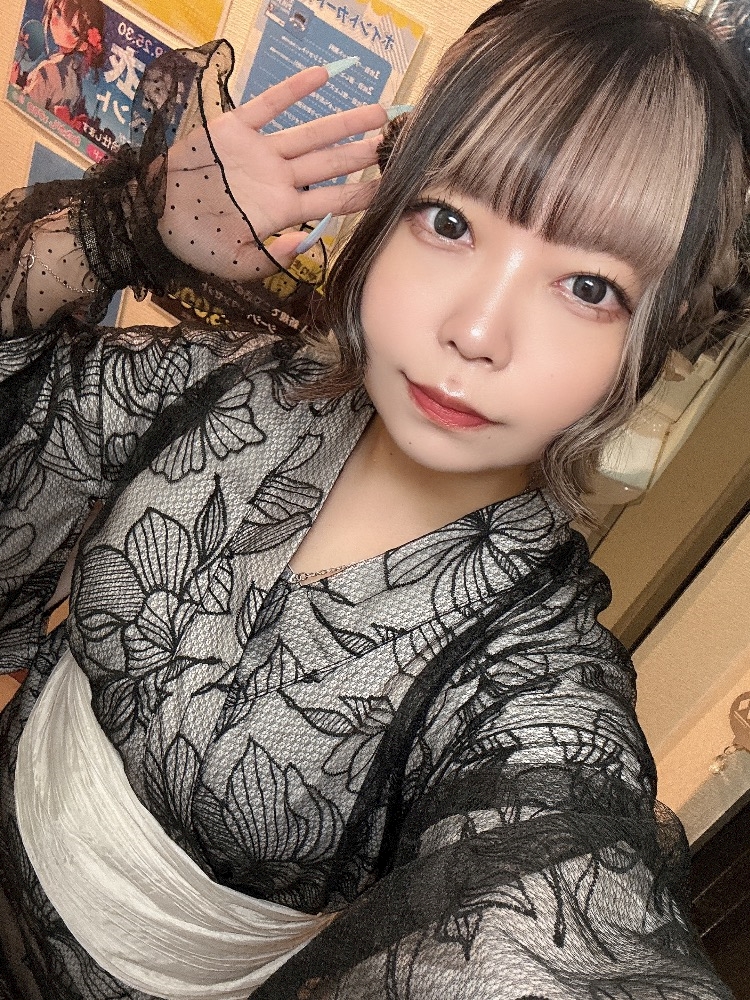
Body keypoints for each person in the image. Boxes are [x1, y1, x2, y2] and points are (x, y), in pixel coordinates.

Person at [0, 0, 747, 996]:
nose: (477, 330)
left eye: (588, 288)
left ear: (651, 342)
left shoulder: (528, 684)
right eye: (450, 222)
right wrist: (125, 228)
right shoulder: (233, 388)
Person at [21, 0, 105, 123]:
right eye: (58, 12)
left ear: (83, 45)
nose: (60, 25)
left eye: (74, 31)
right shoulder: (74, 77)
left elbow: (25, 107)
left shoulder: (48, 70)